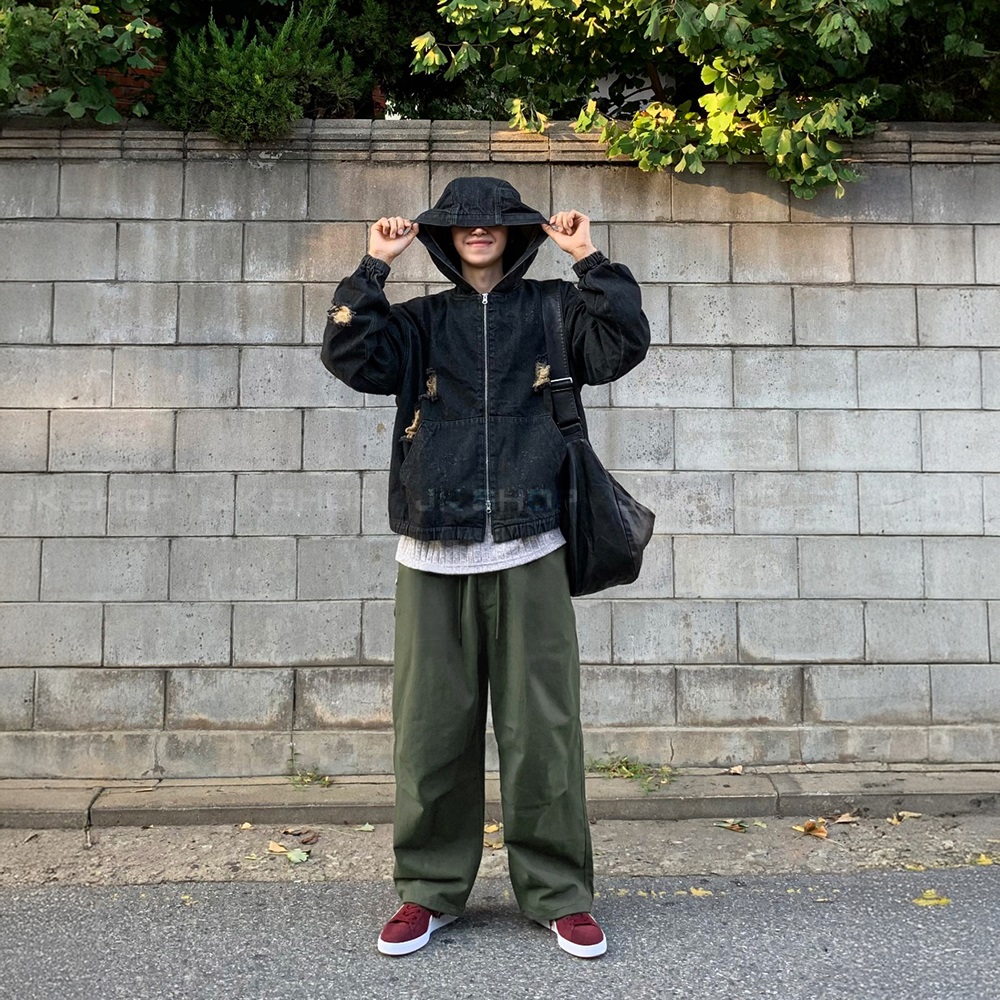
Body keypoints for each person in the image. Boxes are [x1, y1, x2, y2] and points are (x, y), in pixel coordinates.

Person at [321, 176, 650, 959]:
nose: (478, 231)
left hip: (533, 545)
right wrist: (373, 266)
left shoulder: (554, 311)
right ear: (444, 236)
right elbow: (349, 353)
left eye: (492, 221)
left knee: (544, 732)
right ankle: (428, 890)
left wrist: (588, 257)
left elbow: (623, 342)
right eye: (463, 223)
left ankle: (559, 892)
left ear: (514, 233)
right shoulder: (417, 323)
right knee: (431, 731)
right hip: (432, 548)